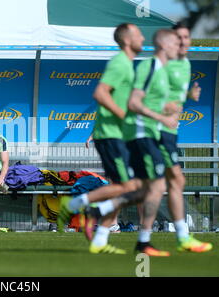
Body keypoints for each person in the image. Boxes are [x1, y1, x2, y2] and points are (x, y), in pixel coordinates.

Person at [83, 29, 182, 257]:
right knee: (137, 186)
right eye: (138, 34)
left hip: (131, 138)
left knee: (144, 186)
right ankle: (96, 213)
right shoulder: (127, 65)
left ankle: (117, 230)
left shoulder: (137, 67)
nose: (142, 38)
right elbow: (105, 97)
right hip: (121, 139)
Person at [58, 23, 146, 254]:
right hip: (110, 137)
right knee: (128, 186)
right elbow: (100, 93)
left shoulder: (126, 65)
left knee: (124, 187)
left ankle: (100, 238)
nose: (144, 37)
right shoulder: (120, 63)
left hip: (117, 136)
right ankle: (79, 206)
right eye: (138, 34)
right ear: (127, 40)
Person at [156, 22, 211, 252]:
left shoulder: (185, 64)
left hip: (169, 131)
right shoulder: (162, 66)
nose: (184, 42)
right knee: (172, 182)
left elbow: (175, 99)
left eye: (187, 37)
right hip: (155, 131)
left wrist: (188, 96)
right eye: (179, 38)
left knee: (155, 186)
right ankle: (182, 235)